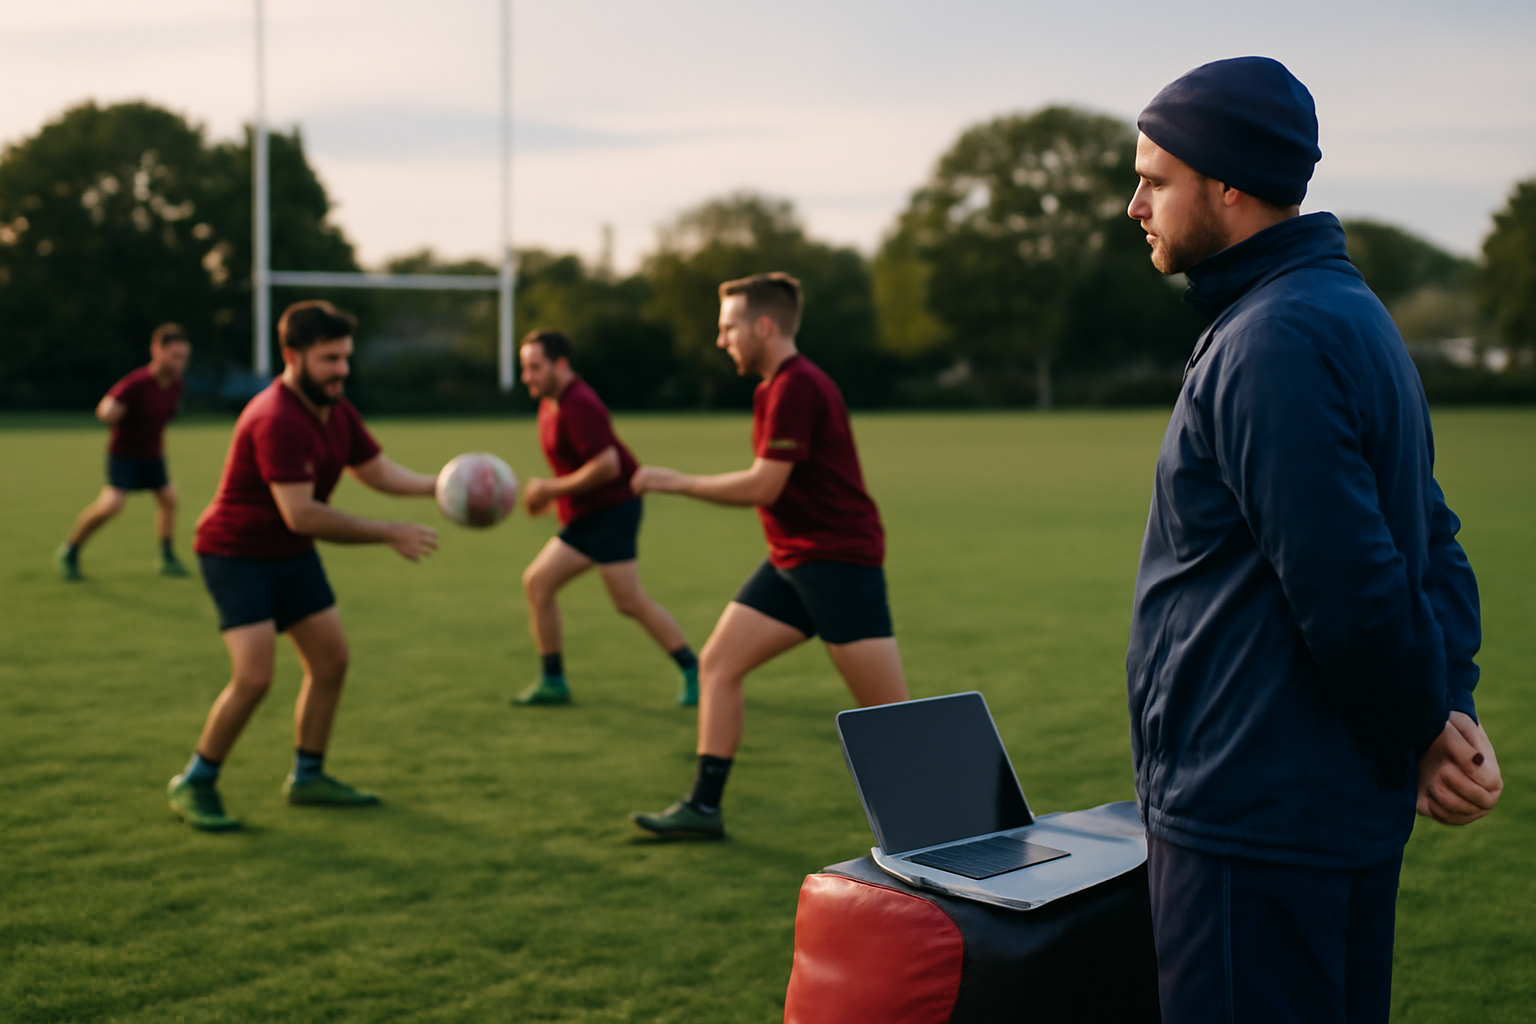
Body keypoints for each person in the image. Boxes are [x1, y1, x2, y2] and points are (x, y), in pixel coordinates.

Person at [1124, 56, 1503, 1023]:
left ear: (1228, 182)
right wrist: (1441, 711)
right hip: (1322, 809)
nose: (1136, 205)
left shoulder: (1273, 339)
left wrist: (1427, 726)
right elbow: (1435, 543)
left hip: (1254, 820)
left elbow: (1354, 584)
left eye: (1155, 179)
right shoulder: (1344, 311)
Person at [629, 273, 909, 838]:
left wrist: (674, 481)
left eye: (728, 327)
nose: (721, 339)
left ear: (764, 325)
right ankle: (704, 809)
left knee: (888, 717)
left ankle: (945, 830)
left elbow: (764, 486)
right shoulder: (773, 388)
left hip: (836, 562)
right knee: (717, 663)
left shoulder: (796, 386)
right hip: (793, 560)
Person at [166, 300, 440, 832]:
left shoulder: (336, 407)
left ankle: (308, 777)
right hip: (235, 553)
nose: (341, 370)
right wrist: (388, 532)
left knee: (331, 662)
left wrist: (444, 486)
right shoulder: (275, 418)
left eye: (345, 357)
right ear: (292, 356)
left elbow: (375, 469)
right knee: (255, 676)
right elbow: (301, 513)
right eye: (328, 359)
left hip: (287, 555)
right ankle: (195, 780)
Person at [514, 328, 700, 707]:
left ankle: (695, 670)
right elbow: (573, 465)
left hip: (614, 510)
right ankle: (553, 681)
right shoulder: (550, 403)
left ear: (560, 364)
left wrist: (550, 489)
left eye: (534, 367)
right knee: (538, 584)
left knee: (629, 601)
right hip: (585, 515)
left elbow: (607, 465)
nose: (526, 377)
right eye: (525, 367)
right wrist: (554, 497)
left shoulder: (578, 403)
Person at [56, 323, 193, 580]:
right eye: (175, 356)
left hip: (152, 455)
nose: (179, 363)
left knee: (169, 500)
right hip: (124, 455)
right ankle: (70, 550)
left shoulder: (176, 385)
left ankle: (167, 556)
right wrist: (110, 413)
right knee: (111, 506)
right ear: (157, 350)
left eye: (184, 357)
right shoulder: (137, 383)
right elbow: (105, 409)